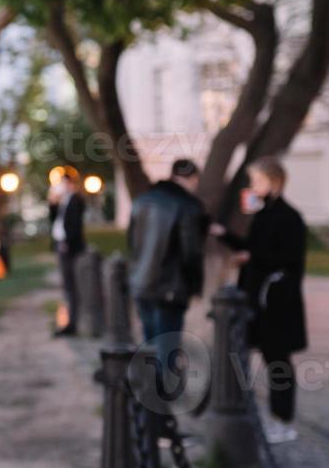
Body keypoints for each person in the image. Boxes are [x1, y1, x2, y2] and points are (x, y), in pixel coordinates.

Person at [212, 156, 308, 443]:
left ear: (273, 182)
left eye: (257, 181)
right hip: (258, 301)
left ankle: (283, 421)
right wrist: (225, 236)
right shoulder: (265, 214)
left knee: (278, 362)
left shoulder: (288, 217)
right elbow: (254, 248)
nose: (253, 187)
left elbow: (288, 259)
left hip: (275, 303)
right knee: (268, 359)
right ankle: (268, 416)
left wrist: (252, 257)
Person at [127, 159, 206, 376]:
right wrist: (195, 284)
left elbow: (132, 243)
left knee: (150, 343)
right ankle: (162, 400)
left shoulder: (142, 201)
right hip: (170, 288)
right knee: (167, 348)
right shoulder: (188, 206)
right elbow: (192, 253)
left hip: (142, 282)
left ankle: (150, 394)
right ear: (191, 178)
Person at [49, 171, 86, 336]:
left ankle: (73, 323)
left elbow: (75, 227)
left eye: (64, 183)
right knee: (67, 286)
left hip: (69, 248)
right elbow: (54, 220)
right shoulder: (64, 201)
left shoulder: (75, 200)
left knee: (71, 286)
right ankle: (69, 321)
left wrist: (66, 243)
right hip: (62, 245)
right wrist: (52, 203)